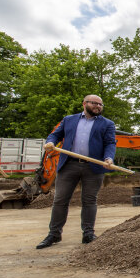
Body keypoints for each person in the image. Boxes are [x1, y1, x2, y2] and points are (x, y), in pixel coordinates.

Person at [36, 95, 116, 249]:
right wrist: (50, 142)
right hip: (68, 165)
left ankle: (88, 234)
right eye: (94, 103)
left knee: (89, 200)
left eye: (101, 104)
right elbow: (55, 135)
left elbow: (110, 143)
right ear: (84, 104)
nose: (98, 106)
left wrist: (108, 158)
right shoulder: (69, 120)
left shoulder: (107, 124)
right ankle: (54, 234)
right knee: (60, 200)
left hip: (93, 167)